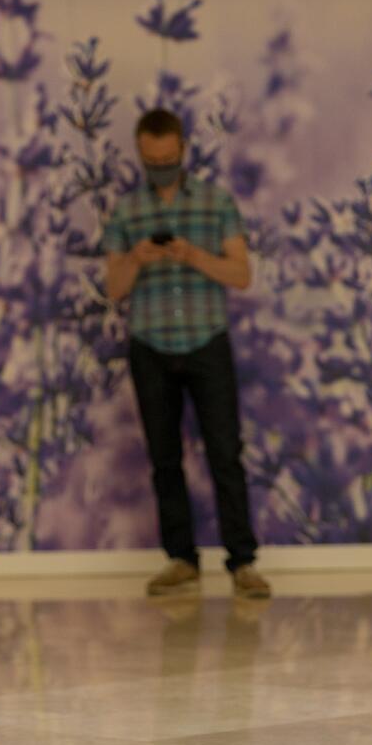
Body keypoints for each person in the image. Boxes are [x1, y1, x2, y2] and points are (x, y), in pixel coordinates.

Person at [103, 109, 271, 600]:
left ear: (183, 150)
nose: (160, 165)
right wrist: (138, 256)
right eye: (150, 159)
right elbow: (114, 287)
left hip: (207, 342)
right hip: (150, 346)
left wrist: (192, 255)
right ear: (139, 154)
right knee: (164, 459)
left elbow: (242, 275)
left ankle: (243, 562)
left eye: (168, 158)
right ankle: (181, 560)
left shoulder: (217, 203)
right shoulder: (127, 211)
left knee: (226, 454)